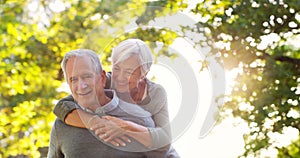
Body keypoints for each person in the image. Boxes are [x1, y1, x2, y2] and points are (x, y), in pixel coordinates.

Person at [53, 39, 179, 157]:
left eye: (129, 72)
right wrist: (97, 123)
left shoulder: (155, 93)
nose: (119, 77)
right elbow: (63, 105)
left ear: (144, 74)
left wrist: (126, 127)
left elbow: (164, 142)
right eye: (116, 68)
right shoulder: (106, 80)